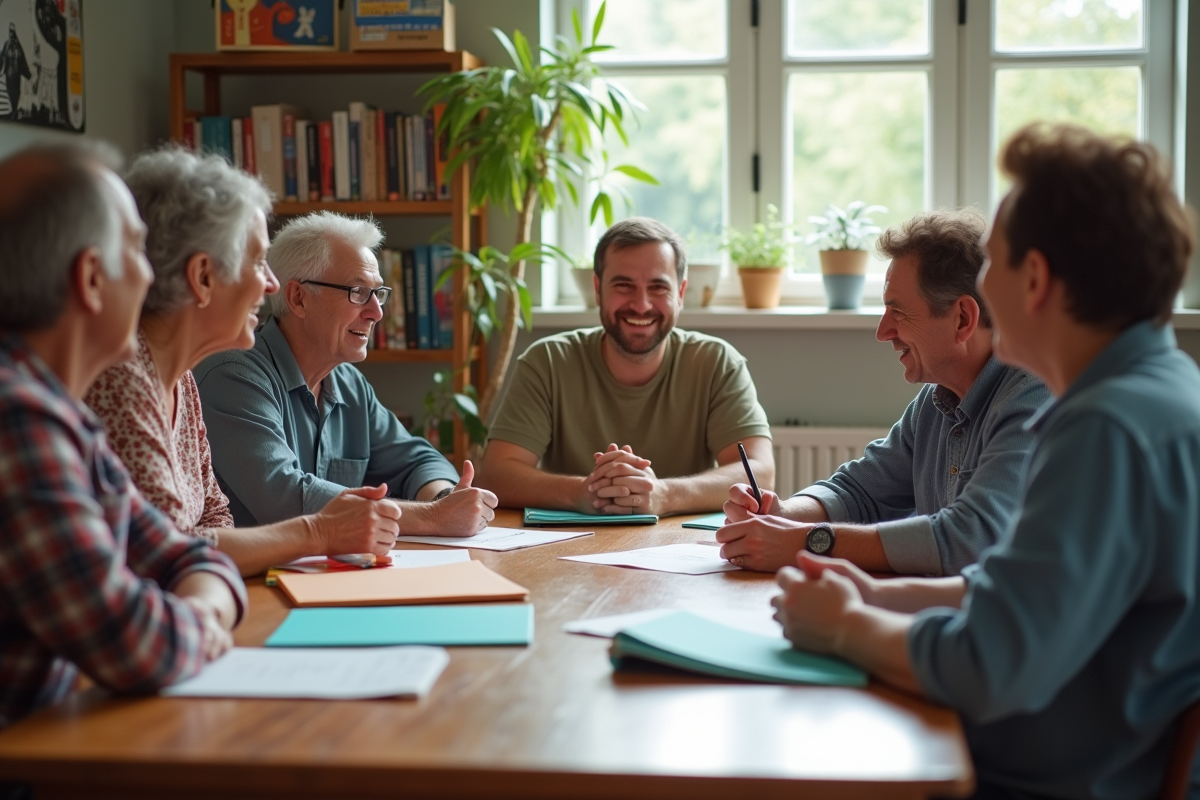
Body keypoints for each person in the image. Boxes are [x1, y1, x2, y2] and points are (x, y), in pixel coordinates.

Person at [773, 124, 1200, 799]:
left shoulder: (1106, 427)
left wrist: (846, 626)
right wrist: (877, 595)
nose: (984, 287)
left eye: (993, 263)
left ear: (1035, 279)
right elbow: (1018, 589)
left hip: (1044, 780)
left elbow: (989, 664)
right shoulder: (1158, 388)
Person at [0, 141, 245, 729]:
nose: (150, 275)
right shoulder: (18, 419)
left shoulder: (61, 414)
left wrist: (200, 603)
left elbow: (181, 552)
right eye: (136, 250)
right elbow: (131, 640)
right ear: (91, 278)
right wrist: (204, 618)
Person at [85, 149, 403, 577]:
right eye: (257, 262)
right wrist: (319, 531)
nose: (271, 284)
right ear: (203, 277)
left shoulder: (181, 379)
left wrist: (213, 579)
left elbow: (215, 522)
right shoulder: (123, 383)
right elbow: (166, 554)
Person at [719, 209, 1048, 575]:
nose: (882, 332)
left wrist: (805, 542)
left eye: (898, 312)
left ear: (963, 319)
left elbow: (970, 539)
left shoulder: (1033, 399)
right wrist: (783, 514)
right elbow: (858, 492)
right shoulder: (936, 399)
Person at [195, 211, 497, 534]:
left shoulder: (349, 384)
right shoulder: (233, 377)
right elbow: (285, 499)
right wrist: (434, 516)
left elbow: (419, 460)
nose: (376, 313)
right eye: (357, 292)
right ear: (298, 298)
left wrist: (445, 498)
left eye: (378, 293)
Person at [476, 217, 773, 516]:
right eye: (623, 285)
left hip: (683, 542)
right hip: (570, 540)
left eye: (658, 287)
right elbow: (495, 474)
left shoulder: (717, 362)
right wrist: (582, 492)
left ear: (680, 294)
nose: (641, 305)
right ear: (598, 289)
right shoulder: (548, 361)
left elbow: (760, 473)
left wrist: (664, 495)